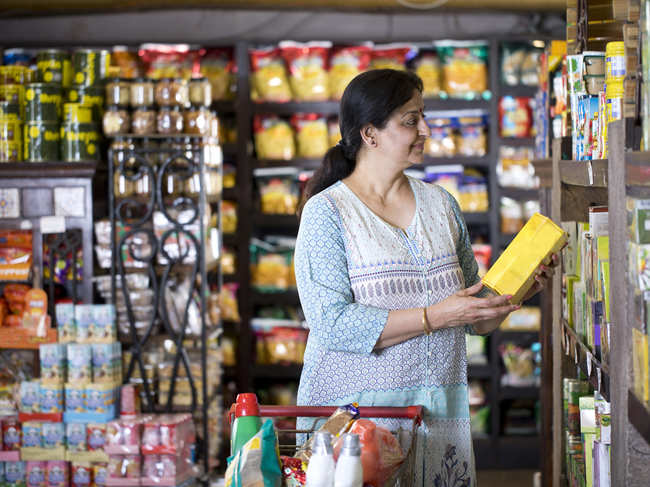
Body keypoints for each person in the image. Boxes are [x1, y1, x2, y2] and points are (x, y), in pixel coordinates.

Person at [294, 69, 557, 486]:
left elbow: (475, 319)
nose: (426, 130)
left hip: (437, 416)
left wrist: (516, 290)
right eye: (410, 119)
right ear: (369, 133)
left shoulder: (441, 205)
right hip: (356, 423)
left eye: (424, 116)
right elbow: (332, 324)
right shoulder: (327, 213)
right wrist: (435, 315)